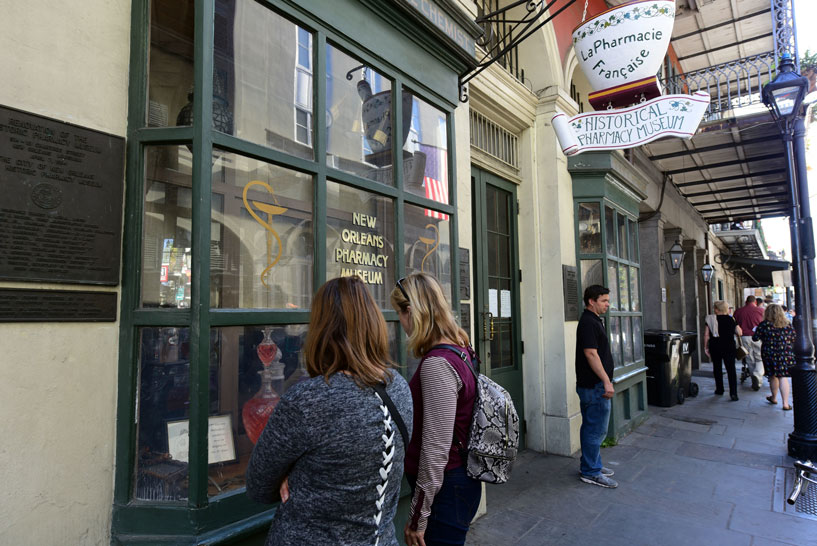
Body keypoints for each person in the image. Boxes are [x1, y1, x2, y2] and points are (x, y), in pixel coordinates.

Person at [246, 276, 413, 546]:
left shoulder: (307, 400)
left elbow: (258, 486)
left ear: (321, 329)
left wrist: (293, 476)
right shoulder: (399, 387)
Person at [390, 272, 481, 546]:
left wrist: (419, 516)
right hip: (457, 482)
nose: (402, 325)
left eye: (400, 315)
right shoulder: (461, 348)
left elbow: (435, 451)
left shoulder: (437, 364)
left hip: (446, 489)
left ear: (410, 311)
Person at [575, 285, 618, 488]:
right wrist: (606, 381)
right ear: (592, 301)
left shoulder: (592, 321)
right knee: (595, 430)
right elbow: (591, 353)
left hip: (593, 385)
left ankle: (592, 465)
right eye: (604, 301)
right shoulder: (588, 323)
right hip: (594, 386)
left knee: (592, 428)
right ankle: (591, 471)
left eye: (608, 301)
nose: (608, 305)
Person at [753, 304, 795, 411]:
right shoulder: (787, 324)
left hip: (769, 353)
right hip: (784, 353)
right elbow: (794, 338)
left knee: (772, 376)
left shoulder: (764, 325)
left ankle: (774, 398)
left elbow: (755, 338)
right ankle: (785, 403)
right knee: (782, 377)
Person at [704, 300, 743, 401]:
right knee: (731, 369)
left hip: (715, 346)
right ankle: (733, 393)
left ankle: (719, 389)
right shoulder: (731, 319)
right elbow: (739, 333)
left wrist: (705, 347)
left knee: (717, 368)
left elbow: (706, 335)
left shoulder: (710, 319)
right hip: (729, 346)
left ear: (716, 309)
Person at [733, 296, 765, 390]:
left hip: (744, 337)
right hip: (758, 337)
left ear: (746, 301)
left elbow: (735, 324)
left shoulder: (738, 311)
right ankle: (757, 375)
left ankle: (754, 378)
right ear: (755, 302)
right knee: (760, 358)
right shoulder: (761, 311)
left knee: (749, 358)